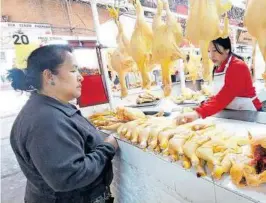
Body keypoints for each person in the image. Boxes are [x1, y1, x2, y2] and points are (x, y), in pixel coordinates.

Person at [7, 45, 118, 203]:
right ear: (49, 76)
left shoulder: (49, 108)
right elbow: (70, 177)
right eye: (73, 71)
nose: (81, 77)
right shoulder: (45, 121)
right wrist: (107, 148)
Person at [177, 37, 263, 124]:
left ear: (227, 49)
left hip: (249, 114)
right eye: (209, 51)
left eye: (214, 50)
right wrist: (203, 105)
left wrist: (198, 113)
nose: (211, 56)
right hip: (233, 114)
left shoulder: (237, 66)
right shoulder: (219, 67)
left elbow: (225, 96)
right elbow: (219, 95)